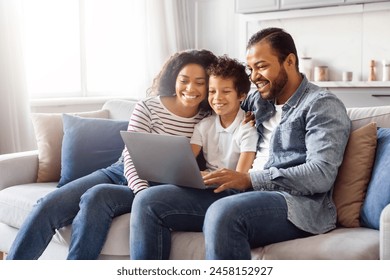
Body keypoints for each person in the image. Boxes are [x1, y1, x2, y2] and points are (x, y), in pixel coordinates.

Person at [129, 27, 351, 260]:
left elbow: (321, 174)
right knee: (148, 201)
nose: (254, 76)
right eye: (251, 69)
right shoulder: (257, 99)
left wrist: (249, 179)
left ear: (290, 61)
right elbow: (221, 101)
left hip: (293, 203)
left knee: (223, 213)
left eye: (262, 66)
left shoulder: (321, 105)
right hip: (240, 191)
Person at [6, 49, 217, 260]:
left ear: (209, 84)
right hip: (123, 171)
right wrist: (141, 191)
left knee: (96, 197)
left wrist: (250, 119)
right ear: (174, 80)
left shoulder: (209, 117)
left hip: (162, 186)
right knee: (47, 206)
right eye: (184, 80)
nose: (191, 88)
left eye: (200, 82)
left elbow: (237, 106)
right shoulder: (148, 107)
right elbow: (132, 157)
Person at [190, 55, 258, 174]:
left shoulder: (248, 128)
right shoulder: (203, 126)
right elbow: (186, 164)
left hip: (232, 188)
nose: (217, 98)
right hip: (206, 184)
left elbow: (239, 177)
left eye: (226, 91)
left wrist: (206, 175)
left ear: (242, 95)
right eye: (212, 91)